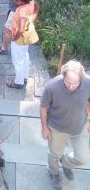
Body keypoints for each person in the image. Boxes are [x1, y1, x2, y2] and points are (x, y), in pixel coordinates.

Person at [40, 60, 90, 190]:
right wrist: (44, 128)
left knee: (83, 158)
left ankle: (66, 163)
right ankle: (53, 172)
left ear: (81, 78)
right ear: (63, 75)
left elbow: (89, 101)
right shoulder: (52, 87)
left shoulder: (88, 83)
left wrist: (89, 119)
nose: (71, 86)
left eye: (75, 83)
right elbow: (43, 107)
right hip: (57, 128)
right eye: (67, 82)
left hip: (80, 127)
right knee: (54, 154)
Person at [6, 0, 39, 89]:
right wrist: (32, 18)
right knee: (25, 56)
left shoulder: (22, 10)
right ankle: (24, 76)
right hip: (28, 36)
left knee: (17, 61)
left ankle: (18, 82)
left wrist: (14, 38)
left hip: (20, 39)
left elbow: (20, 29)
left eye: (16, 0)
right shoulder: (31, 2)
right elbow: (37, 8)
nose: (15, 1)